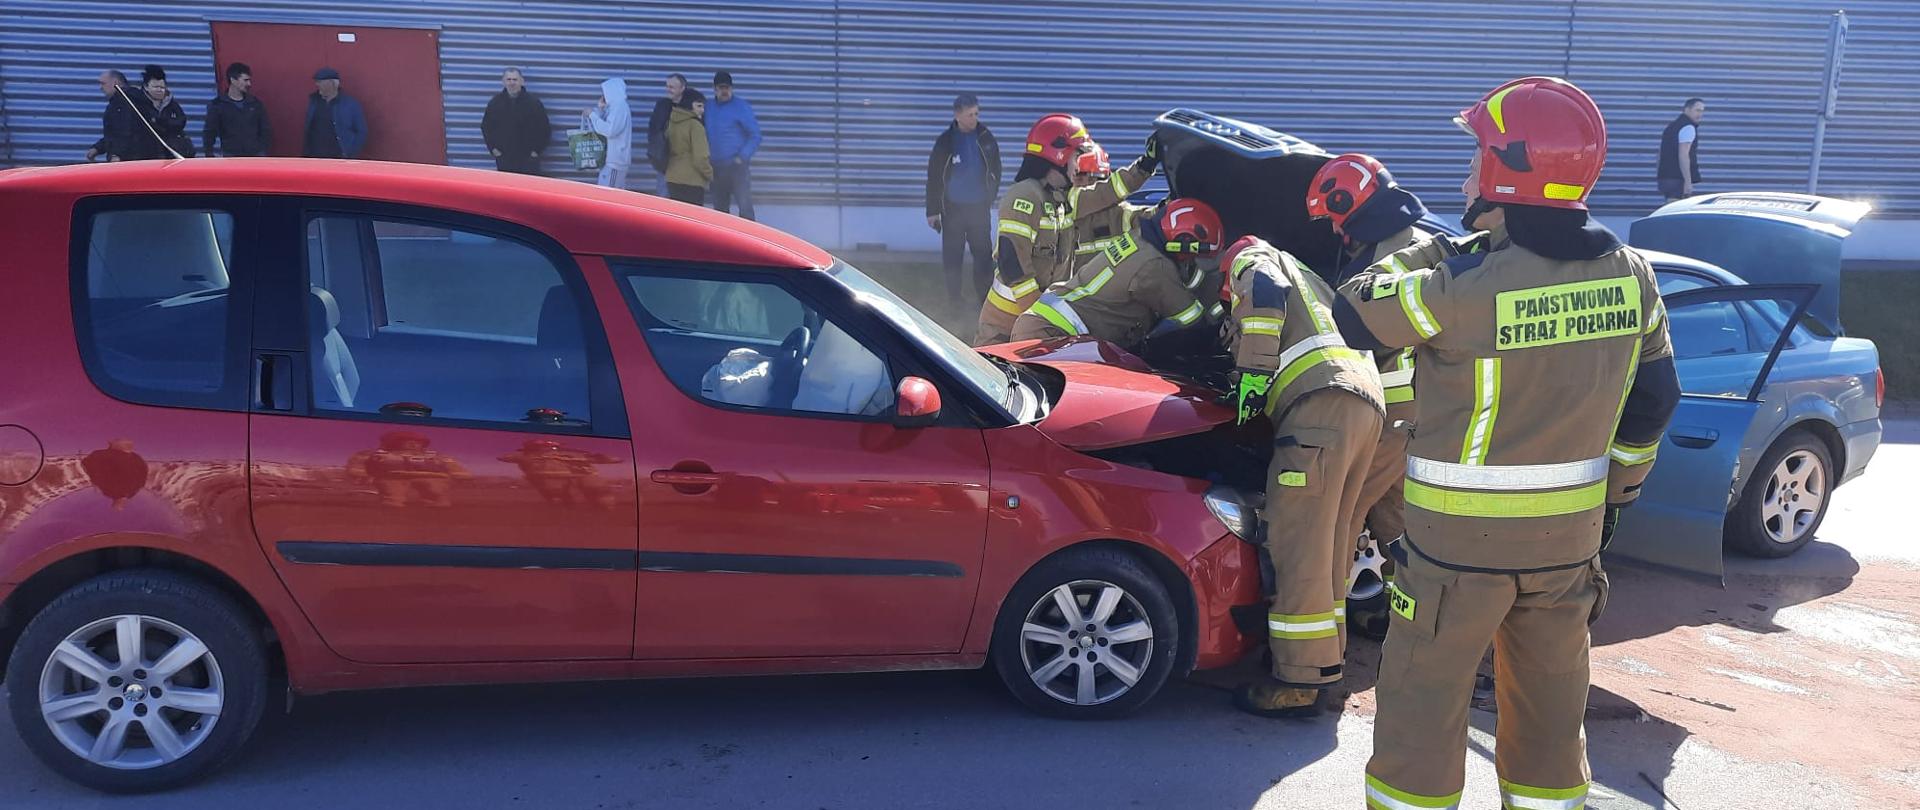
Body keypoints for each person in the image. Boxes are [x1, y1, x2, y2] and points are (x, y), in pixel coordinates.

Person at [1332, 76, 1680, 809]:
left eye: (1474, 162)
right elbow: (1655, 400)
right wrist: (1615, 497)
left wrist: (1433, 250)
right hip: (1568, 548)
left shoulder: (1460, 287)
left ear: (1504, 172)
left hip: (1455, 553)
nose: (1465, 180)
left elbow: (1354, 311)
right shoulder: (1634, 277)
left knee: (1422, 715)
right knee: (1552, 718)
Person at [1218, 235, 1384, 719]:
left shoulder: (1253, 258)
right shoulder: (1311, 280)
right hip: (1360, 406)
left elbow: (1263, 291)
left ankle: (1298, 682)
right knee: (1330, 545)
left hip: (1319, 408)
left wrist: (1251, 374)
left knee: (1297, 544)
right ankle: (1321, 664)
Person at [1303, 153, 1456, 612]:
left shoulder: (1395, 257)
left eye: (1336, 217)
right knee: (1396, 519)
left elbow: (1372, 334)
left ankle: (1325, 631)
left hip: (1390, 412)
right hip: (1411, 412)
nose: (1335, 230)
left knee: (1340, 516)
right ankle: (1411, 613)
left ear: (1351, 203)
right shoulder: (1403, 244)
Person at [973, 116, 1158, 345]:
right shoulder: (1025, 196)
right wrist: (1038, 315)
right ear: (1058, 154)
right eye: (1076, 158)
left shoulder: (1064, 200)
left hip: (1038, 321)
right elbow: (1013, 265)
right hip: (1004, 324)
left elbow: (1107, 192)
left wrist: (1145, 166)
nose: (1078, 166)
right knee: (987, 369)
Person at [1009, 197, 1218, 348]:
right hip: (1053, 336)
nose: (1191, 260)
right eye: (1192, 255)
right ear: (1182, 242)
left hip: (1044, 327)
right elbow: (1191, 319)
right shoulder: (1154, 266)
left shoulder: (1139, 239)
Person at [926, 93, 1002, 304]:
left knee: (983, 257)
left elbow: (996, 169)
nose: (974, 119)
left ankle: (984, 299)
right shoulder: (945, 142)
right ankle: (955, 300)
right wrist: (932, 211)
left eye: (976, 114)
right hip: (953, 209)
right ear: (957, 115)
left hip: (979, 208)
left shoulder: (985, 137)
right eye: (970, 115)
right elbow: (934, 177)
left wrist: (990, 196)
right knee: (953, 257)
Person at [706, 71, 762, 219]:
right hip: (715, 168)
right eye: (721, 88)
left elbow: (755, 135)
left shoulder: (741, 107)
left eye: (728, 88)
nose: (725, 91)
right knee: (720, 211)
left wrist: (742, 156)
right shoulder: (708, 107)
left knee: (745, 208)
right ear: (715, 89)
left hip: (737, 168)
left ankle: (748, 234)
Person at [481, 67, 552, 175]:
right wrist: (494, 149)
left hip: (528, 160)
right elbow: (486, 127)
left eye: (515, 79)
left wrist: (536, 151)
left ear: (521, 81)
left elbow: (545, 128)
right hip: (504, 159)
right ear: (503, 82)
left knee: (528, 185)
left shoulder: (533, 103)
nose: (512, 83)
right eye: (509, 79)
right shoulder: (495, 103)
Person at [202, 61, 272, 157]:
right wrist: (209, 154)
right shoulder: (218, 105)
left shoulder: (255, 104)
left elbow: (265, 129)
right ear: (233, 80)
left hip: (255, 155)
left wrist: (262, 151)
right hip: (231, 156)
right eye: (245, 80)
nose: (249, 84)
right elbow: (209, 132)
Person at [129, 65, 193, 159]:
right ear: (146, 87)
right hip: (146, 154)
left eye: (162, 87)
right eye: (155, 87)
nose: (159, 90)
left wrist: (162, 122)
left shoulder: (171, 103)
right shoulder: (137, 104)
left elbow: (181, 121)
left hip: (170, 153)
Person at [304, 67, 368, 158]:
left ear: (332, 83)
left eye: (320, 82)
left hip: (339, 156)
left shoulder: (350, 104)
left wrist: (350, 151)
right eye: (317, 82)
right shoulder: (314, 102)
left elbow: (361, 131)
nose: (317, 84)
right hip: (315, 156)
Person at [664, 89, 713, 204]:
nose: (702, 110)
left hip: (672, 177)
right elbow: (700, 158)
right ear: (689, 104)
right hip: (692, 180)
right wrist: (710, 175)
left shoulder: (671, 121)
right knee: (692, 214)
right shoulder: (695, 126)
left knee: (676, 213)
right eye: (699, 106)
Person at [584, 77, 633, 188]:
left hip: (615, 162)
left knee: (608, 194)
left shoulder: (619, 107)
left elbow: (609, 130)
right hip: (613, 162)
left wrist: (592, 115)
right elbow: (607, 124)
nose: (604, 95)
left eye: (605, 91)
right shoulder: (615, 107)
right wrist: (600, 109)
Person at [86, 70, 140, 162]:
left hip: (128, 161)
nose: (101, 88)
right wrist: (97, 148)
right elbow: (113, 135)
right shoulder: (117, 102)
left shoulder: (126, 102)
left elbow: (127, 131)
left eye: (103, 83)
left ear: (115, 83)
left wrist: (117, 154)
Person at [647, 73, 688, 195]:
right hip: (665, 163)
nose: (668, 90)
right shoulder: (662, 105)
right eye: (667, 86)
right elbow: (653, 129)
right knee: (663, 197)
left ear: (682, 88)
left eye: (672, 87)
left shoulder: (690, 107)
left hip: (685, 164)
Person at [1658, 97, 1706, 200]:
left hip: (1665, 178)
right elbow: (1684, 155)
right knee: (1677, 207)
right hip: (1678, 179)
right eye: (1697, 110)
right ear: (1687, 109)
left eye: (1702, 111)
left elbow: (1660, 154)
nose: (1700, 114)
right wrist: (1688, 182)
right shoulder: (1688, 127)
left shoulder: (1672, 126)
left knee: (1671, 205)